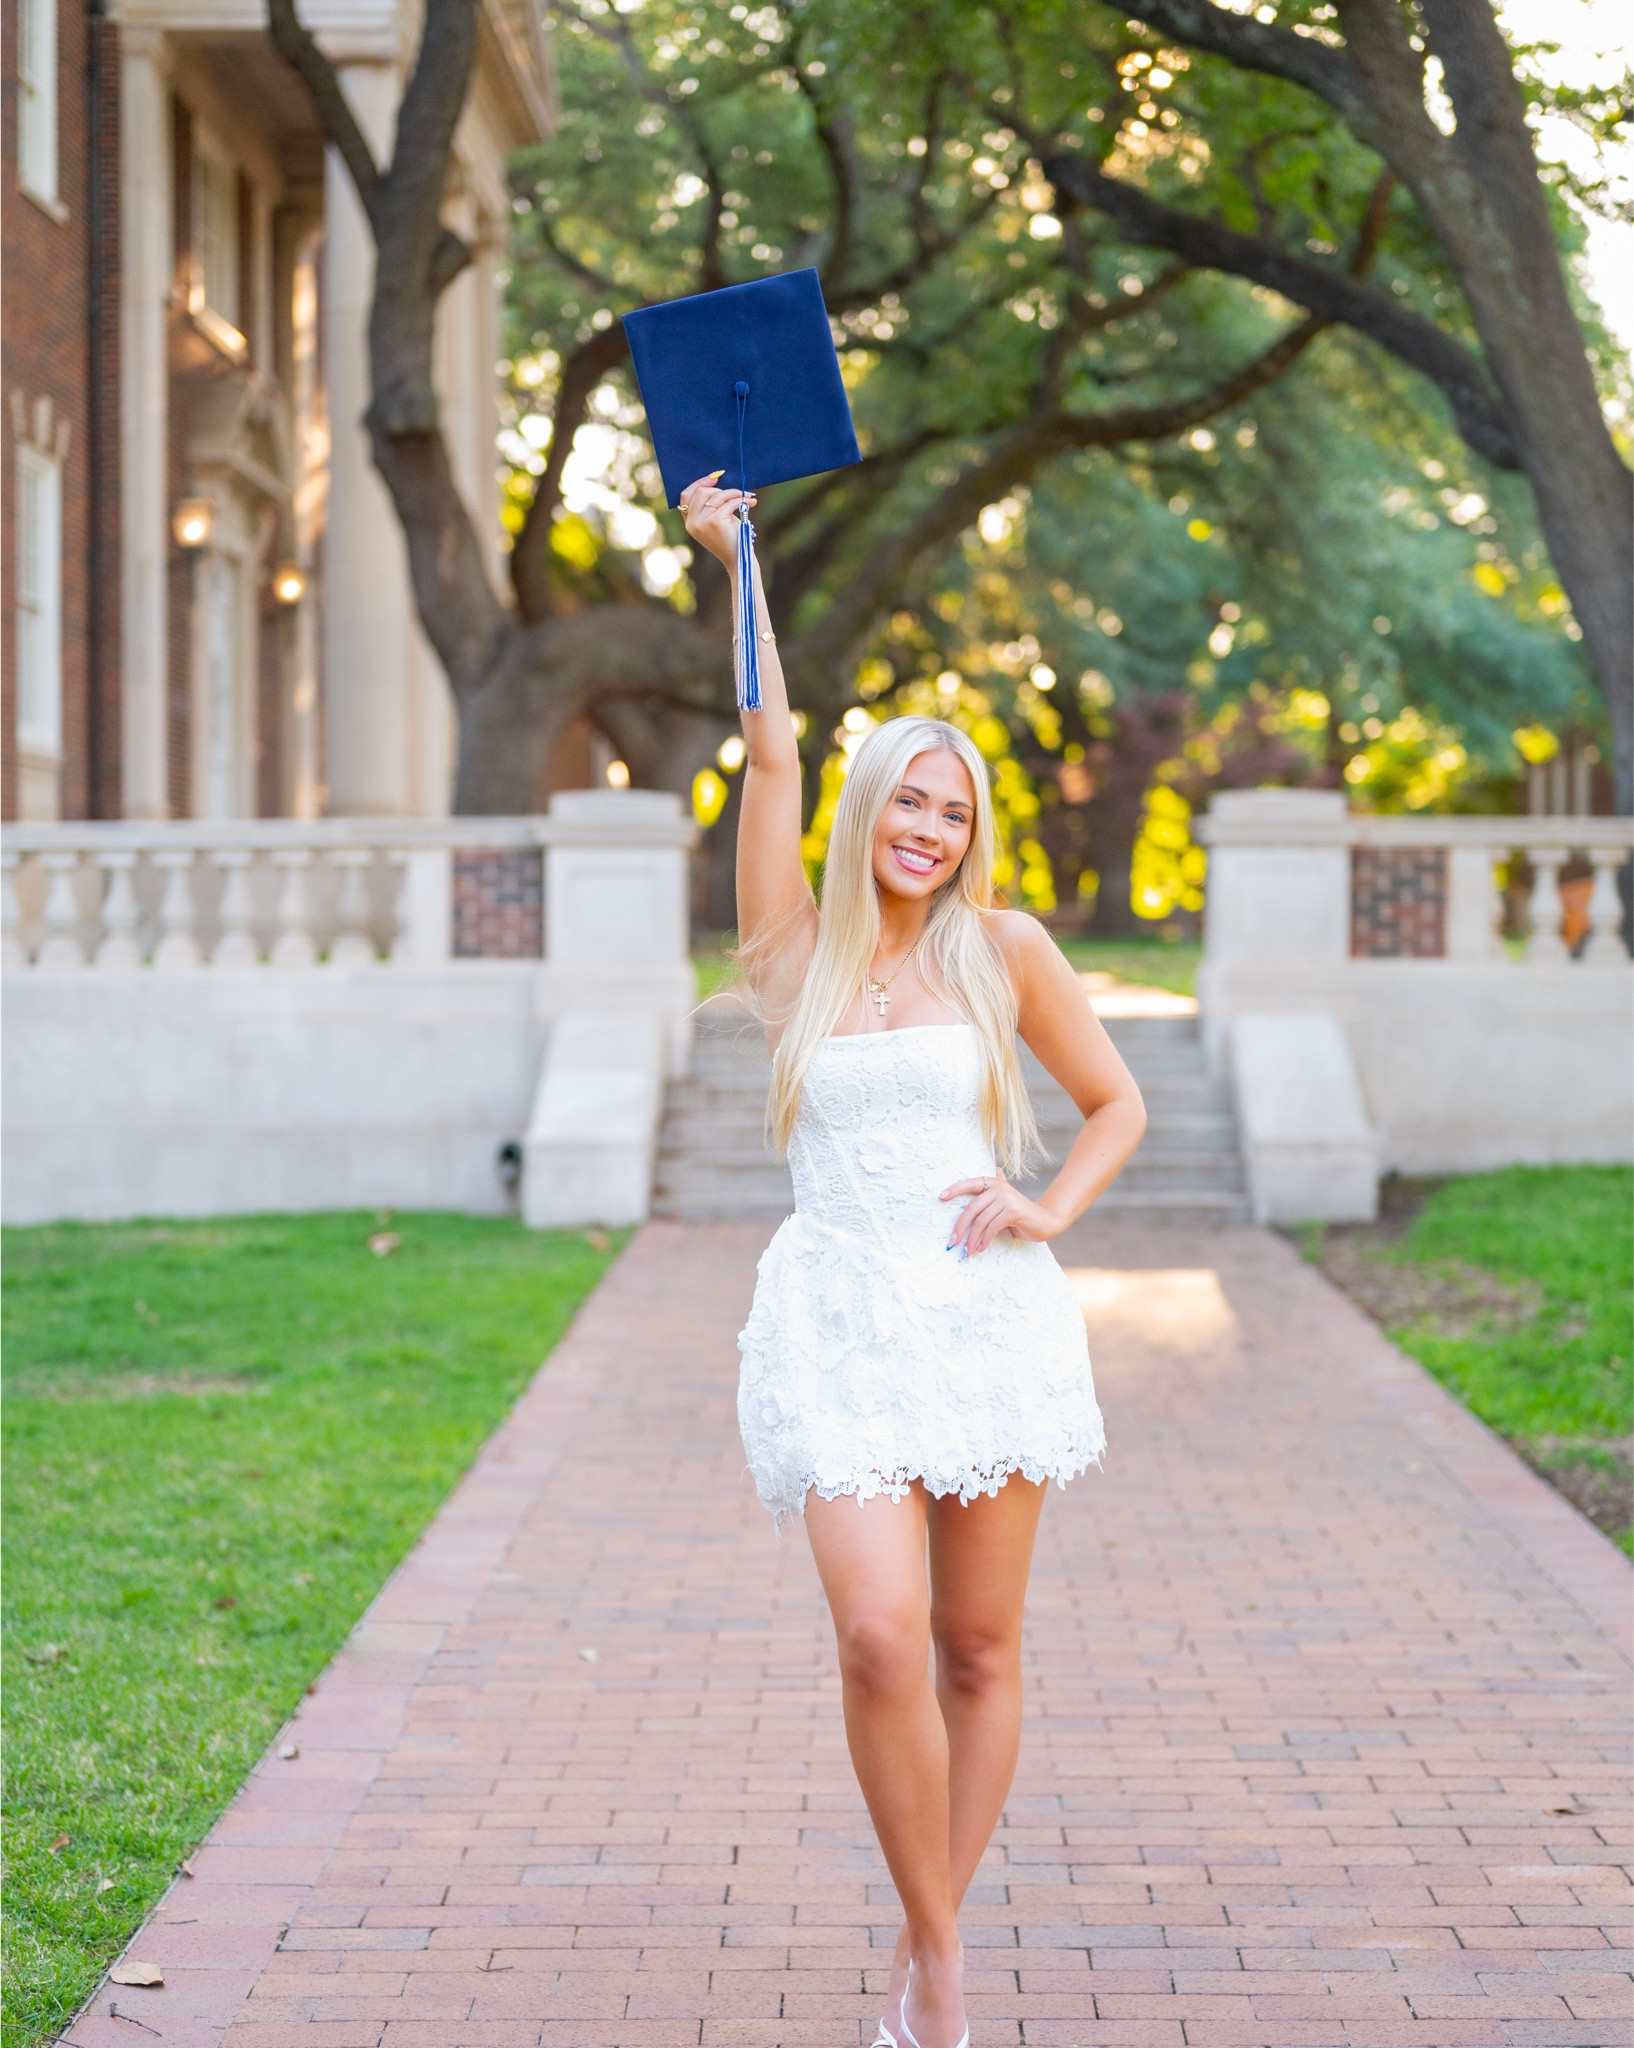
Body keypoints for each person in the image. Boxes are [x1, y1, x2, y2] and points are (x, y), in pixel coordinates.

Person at [681, 476, 1148, 2048]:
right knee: (879, 1633)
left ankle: (924, 1962)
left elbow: (1114, 1102)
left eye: (951, 811)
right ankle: (940, 1956)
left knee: (973, 1643)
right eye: (906, 800)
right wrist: (731, 556)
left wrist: (1049, 1209)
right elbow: (768, 746)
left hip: (979, 1317)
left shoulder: (1001, 948)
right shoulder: (789, 955)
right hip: (835, 1319)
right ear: (864, 805)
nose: (927, 831)